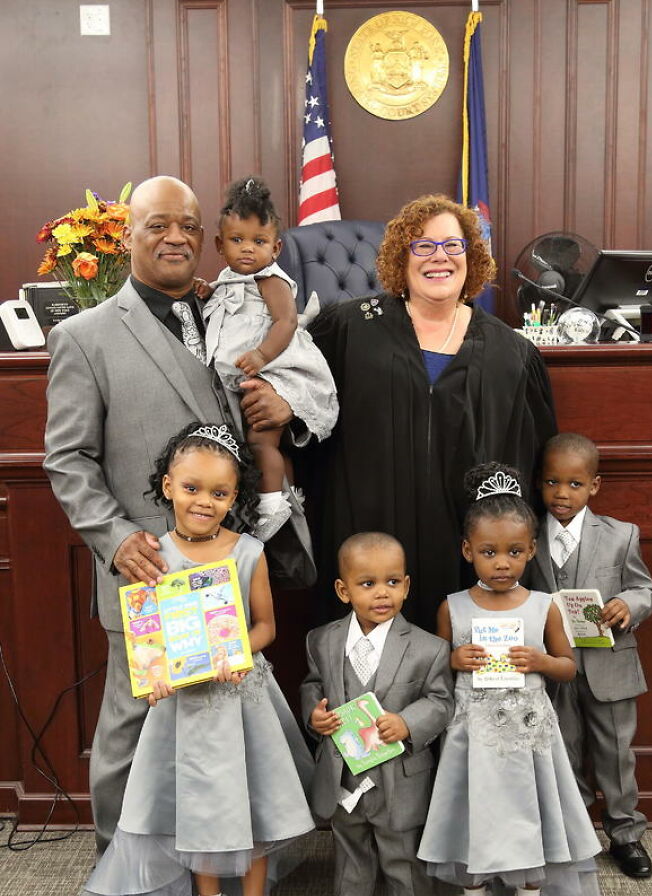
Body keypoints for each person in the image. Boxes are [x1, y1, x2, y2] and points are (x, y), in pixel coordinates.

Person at [44, 175, 300, 855]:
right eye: (158, 224)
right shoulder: (84, 336)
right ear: (128, 235)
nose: (177, 237)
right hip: (147, 568)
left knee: (217, 726)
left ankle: (211, 861)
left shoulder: (232, 314)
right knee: (135, 725)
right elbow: (67, 459)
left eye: (188, 224)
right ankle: (122, 866)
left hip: (226, 565)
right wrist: (115, 536)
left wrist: (284, 412)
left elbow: (259, 407)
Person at [64, 423, 315, 896]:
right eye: (193, 488)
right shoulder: (151, 555)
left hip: (237, 699)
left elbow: (266, 626)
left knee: (252, 800)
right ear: (168, 485)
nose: (205, 502)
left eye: (220, 494)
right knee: (194, 802)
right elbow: (146, 633)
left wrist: (235, 655)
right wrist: (153, 672)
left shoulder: (247, 551)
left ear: (234, 498)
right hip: (182, 705)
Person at [306, 194, 557, 631]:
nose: (439, 257)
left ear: (471, 256)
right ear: (400, 259)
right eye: (422, 246)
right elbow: (301, 410)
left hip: (464, 553)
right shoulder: (348, 329)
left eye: (452, 246)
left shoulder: (510, 353)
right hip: (369, 544)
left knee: (458, 668)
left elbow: (531, 458)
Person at [418, 463, 601, 896]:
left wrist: (541, 659)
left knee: (530, 811)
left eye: (515, 552)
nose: (503, 563)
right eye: (490, 552)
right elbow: (435, 671)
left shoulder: (543, 605)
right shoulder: (453, 606)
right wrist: (455, 658)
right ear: (468, 551)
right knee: (472, 813)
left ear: (531, 550)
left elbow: (569, 667)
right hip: (471, 736)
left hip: (527, 736)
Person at [301, 532, 454, 896]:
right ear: (343, 589)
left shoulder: (429, 648)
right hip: (344, 770)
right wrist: (315, 714)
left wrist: (408, 722)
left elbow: (443, 701)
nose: (381, 592)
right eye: (367, 584)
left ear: (406, 585)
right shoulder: (322, 640)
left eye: (392, 582)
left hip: (398, 773)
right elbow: (313, 686)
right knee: (350, 845)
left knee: (400, 849)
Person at [528, 432, 652, 878]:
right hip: (553, 666)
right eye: (551, 482)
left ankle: (625, 834)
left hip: (610, 665)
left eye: (574, 484)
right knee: (562, 747)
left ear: (594, 486)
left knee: (616, 753)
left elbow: (646, 589)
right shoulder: (526, 537)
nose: (561, 494)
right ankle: (575, 831)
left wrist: (630, 604)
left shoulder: (621, 535)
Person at [195, 176, 338, 541]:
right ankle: (287, 493)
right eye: (237, 240)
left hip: (276, 372)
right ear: (219, 245)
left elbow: (286, 321)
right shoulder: (227, 280)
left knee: (262, 444)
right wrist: (204, 291)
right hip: (242, 380)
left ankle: (272, 504)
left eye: (258, 242)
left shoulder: (270, 280)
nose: (247, 250)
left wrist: (262, 355)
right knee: (257, 444)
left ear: (275, 249)